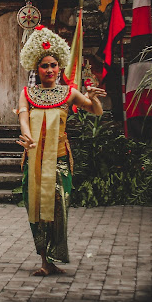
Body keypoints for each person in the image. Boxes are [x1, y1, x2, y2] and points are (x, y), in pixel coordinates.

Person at [16, 25, 106, 276]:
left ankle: (55, 256)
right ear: (37, 69)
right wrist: (28, 136)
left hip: (59, 159)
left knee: (58, 208)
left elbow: (95, 111)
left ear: (60, 67)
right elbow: (24, 118)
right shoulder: (28, 93)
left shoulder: (69, 93)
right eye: (44, 66)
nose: (49, 70)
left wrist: (93, 97)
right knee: (36, 208)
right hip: (33, 159)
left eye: (53, 65)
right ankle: (45, 261)